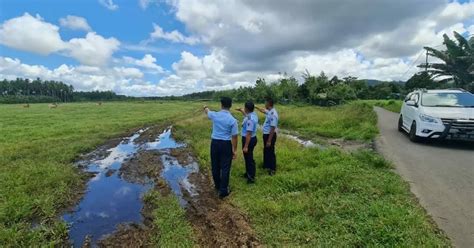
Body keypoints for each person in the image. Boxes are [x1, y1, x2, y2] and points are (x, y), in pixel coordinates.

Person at [204, 97, 239, 199]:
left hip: (214, 143)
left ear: (221, 104)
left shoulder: (215, 115)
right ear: (230, 105)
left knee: (215, 165)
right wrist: (234, 150)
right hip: (226, 144)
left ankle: (217, 186)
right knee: (225, 167)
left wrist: (205, 107)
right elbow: (235, 136)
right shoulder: (233, 120)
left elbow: (208, 112)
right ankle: (223, 191)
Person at [235, 101, 258, 184]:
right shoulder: (253, 114)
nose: (244, 109)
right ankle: (248, 173)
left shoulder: (250, 120)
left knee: (249, 158)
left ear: (247, 108)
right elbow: (246, 115)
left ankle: (251, 177)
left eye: (244, 108)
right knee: (247, 157)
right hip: (251, 138)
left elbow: (249, 133)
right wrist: (240, 110)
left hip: (249, 139)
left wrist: (246, 146)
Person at [256, 97, 278, 175]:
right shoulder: (269, 111)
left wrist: (269, 140)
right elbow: (263, 110)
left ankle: (272, 169)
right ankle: (266, 165)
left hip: (270, 135)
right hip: (266, 134)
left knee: (271, 152)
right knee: (266, 150)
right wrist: (255, 106)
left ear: (268, 104)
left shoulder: (273, 114)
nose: (264, 104)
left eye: (265, 103)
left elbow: (273, 128)